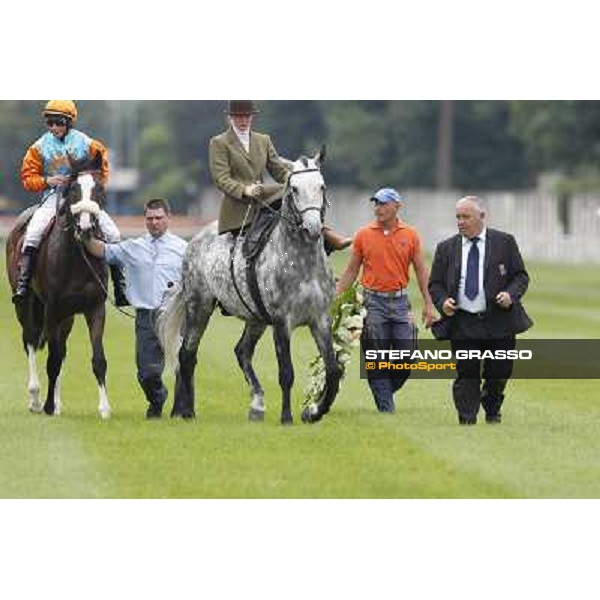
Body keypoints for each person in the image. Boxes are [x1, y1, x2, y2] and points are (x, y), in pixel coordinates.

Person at [428, 196, 533, 425]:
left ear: (482, 217)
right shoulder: (446, 248)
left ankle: (492, 406)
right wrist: (443, 301)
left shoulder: (505, 242)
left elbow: (520, 276)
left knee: (499, 372)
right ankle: (467, 419)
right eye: (458, 217)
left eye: (466, 217)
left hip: (499, 320)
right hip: (464, 322)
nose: (461, 222)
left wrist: (510, 295)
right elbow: (435, 284)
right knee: (467, 372)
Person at [14, 100, 127, 306]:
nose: (54, 128)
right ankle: (24, 282)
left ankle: (120, 285)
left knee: (113, 233)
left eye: (59, 123)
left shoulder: (89, 144)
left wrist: (88, 185)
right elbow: (27, 178)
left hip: (83, 197)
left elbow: (102, 172)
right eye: (50, 123)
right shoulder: (38, 148)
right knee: (33, 233)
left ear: (69, 122)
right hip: (53, 198)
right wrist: (47, 181)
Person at [84, 198, 188, 419]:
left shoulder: (184, 249)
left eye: (159, 218)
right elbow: (103, 251)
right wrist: (84, 237)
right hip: (145, 317)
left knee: (182, 364)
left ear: (168, 218)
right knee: (147, 373)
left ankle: (180, 411)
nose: (154, 222)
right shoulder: (134, 246)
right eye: (150, 218)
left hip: (174, 315)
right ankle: (157, 398)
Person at [336, 187, 435, 413]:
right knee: (376, 358)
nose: (377, 208)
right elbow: (351, 270)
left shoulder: (410, 235)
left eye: (382, 204)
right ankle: (386, 408)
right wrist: (337, 300)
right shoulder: (363, 234)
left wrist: (429, 304)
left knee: (407, 357)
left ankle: (383, 391)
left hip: (400, 304)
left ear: (396, 206)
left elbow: (421, 271)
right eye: (376, 204)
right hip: (371, 303)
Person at [208, 100, 352, 252]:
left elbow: (278, 170)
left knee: (296, 192)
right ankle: (326, 235)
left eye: (247, 116)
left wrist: (296, 180)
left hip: (263, 197)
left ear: (252, 117)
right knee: (283, 191)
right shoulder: (219, 143)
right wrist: (245, 190)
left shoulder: (263, 140)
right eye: (239, 117)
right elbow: (221, 178)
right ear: (230, 118)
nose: (244, 121)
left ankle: (323, 234)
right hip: (238, 207)